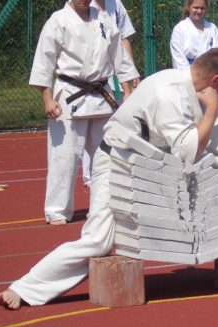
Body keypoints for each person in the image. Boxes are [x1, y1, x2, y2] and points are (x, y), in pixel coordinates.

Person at [0, 48, 218, 310]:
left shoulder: (180, 84)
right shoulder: (168, 94)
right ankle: (23, 288)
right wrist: (212, 111)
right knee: (99, 240)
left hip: (146, 165)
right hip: (117, 163)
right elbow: (188, 151)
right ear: (215, 81)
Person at [30, 0, 139, 225]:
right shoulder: (58, 20)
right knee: (65, 156)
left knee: (106, 156)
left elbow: (119, 55)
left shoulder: (103, 19)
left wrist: (128, 89)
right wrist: (47, 98)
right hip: (70, 95)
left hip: (101, 95)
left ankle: (103, 208)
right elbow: (44, 61)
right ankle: (57, 210)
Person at [82, 0, 140, 187]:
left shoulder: (116, 5)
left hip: (117, 72)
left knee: (111, 126)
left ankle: (109, 170)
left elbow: (124, 38)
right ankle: (89, 175)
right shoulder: (82, 4)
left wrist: (131, 73)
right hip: (95, 75)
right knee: (87, 127)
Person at [170, 0, 218, 70]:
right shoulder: (180, 28)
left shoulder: (212, 28)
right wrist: (194, 76)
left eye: (202, 8)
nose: (199, 11)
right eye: (196, 7)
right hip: (188, 74)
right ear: (188, 7)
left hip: (211, 73)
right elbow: (179, 59)